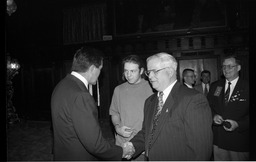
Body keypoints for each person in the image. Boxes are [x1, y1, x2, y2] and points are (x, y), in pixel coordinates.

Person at [124, 52, 213, 160]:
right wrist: (132, 147)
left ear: (170, 71)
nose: (150, 76)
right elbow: (148, 132)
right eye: (148, 72)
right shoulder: (150, 101)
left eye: (154, 71)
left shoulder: (193, 99)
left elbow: (201, 150)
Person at [51, 47, 134, 160]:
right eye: (100, 69)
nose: (100, 73)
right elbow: (95, 145)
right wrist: (122, 151)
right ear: (92, 69)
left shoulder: (61, 85)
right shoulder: (81, 95)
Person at [109, 55, 153, 160]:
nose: (128, 75)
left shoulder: (152, 88)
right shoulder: (118, 90)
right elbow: (114, 113)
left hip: (143, 145)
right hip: (122, 145)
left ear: (141, 71)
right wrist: (117, 128)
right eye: (126, 71)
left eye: (132, 71)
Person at [207, 55, 249, 160]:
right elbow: (207, 107)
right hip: (218, 140)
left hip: (239, 139)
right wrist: (213, 116)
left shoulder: (247, 86)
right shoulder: (215, 86)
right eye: (224, 66)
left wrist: (239, 124)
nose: (226, 69)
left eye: (230, 66)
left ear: (238, 68)